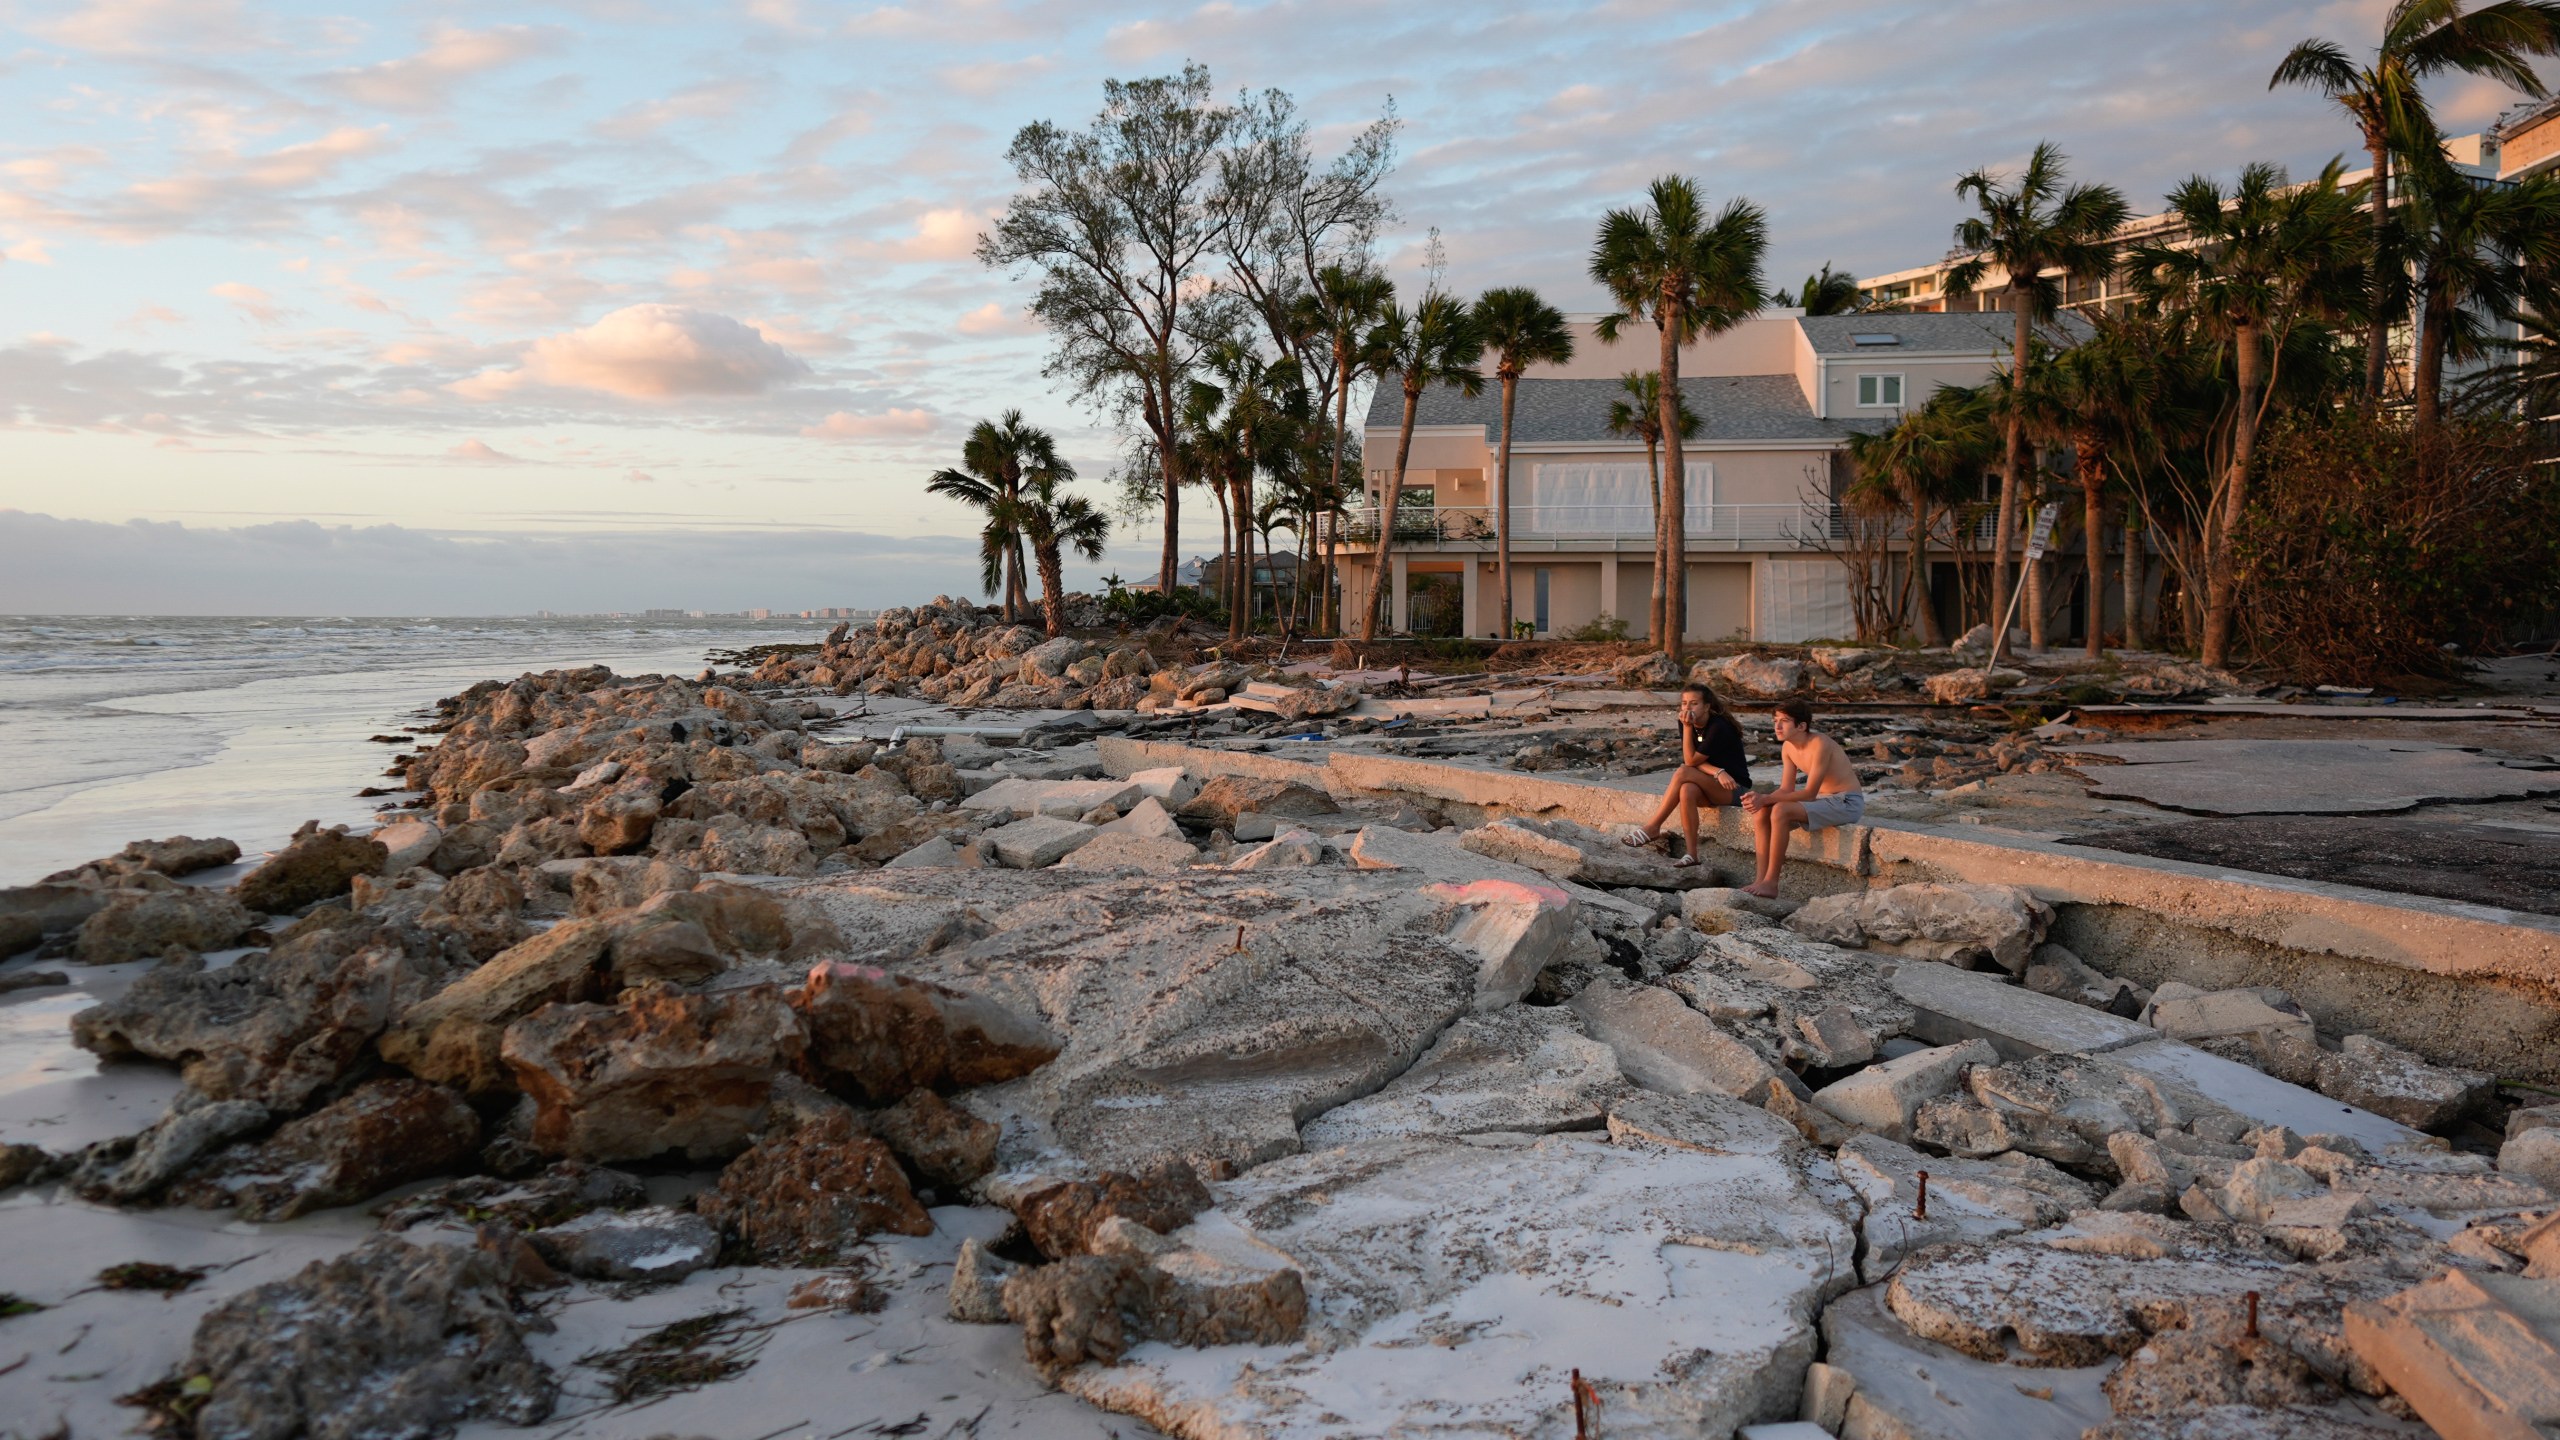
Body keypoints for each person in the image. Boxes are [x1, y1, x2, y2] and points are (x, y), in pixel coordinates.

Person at [1740, 699, 1864, 898]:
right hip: (1823, 800)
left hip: (1846, 801)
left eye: (1785, 721)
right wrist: (1763, 799)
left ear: (1801, 726)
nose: (1777, 726)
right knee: (1763, 811)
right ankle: (1760, 879)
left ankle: (1772, 883)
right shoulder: (1788, 747)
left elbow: (1809, 793)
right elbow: (1786, 789)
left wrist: (1766, 799)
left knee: (1780, 810)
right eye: (1775, 721)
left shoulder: (1820, 744)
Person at [1624, 682, 1751, 868]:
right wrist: (1717, 771)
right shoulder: (1686, 722)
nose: (1688, 708)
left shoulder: (1719, 727)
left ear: (1707, 706)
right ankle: (1692, 855)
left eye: (1694, 703)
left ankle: (1653, 826)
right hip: (1712, 783)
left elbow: (1690, 761)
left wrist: (1688, 728)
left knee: (1683, 771)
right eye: (1684, 703)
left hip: (1735, 789)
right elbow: (1694, 761)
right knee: (1687, 789)